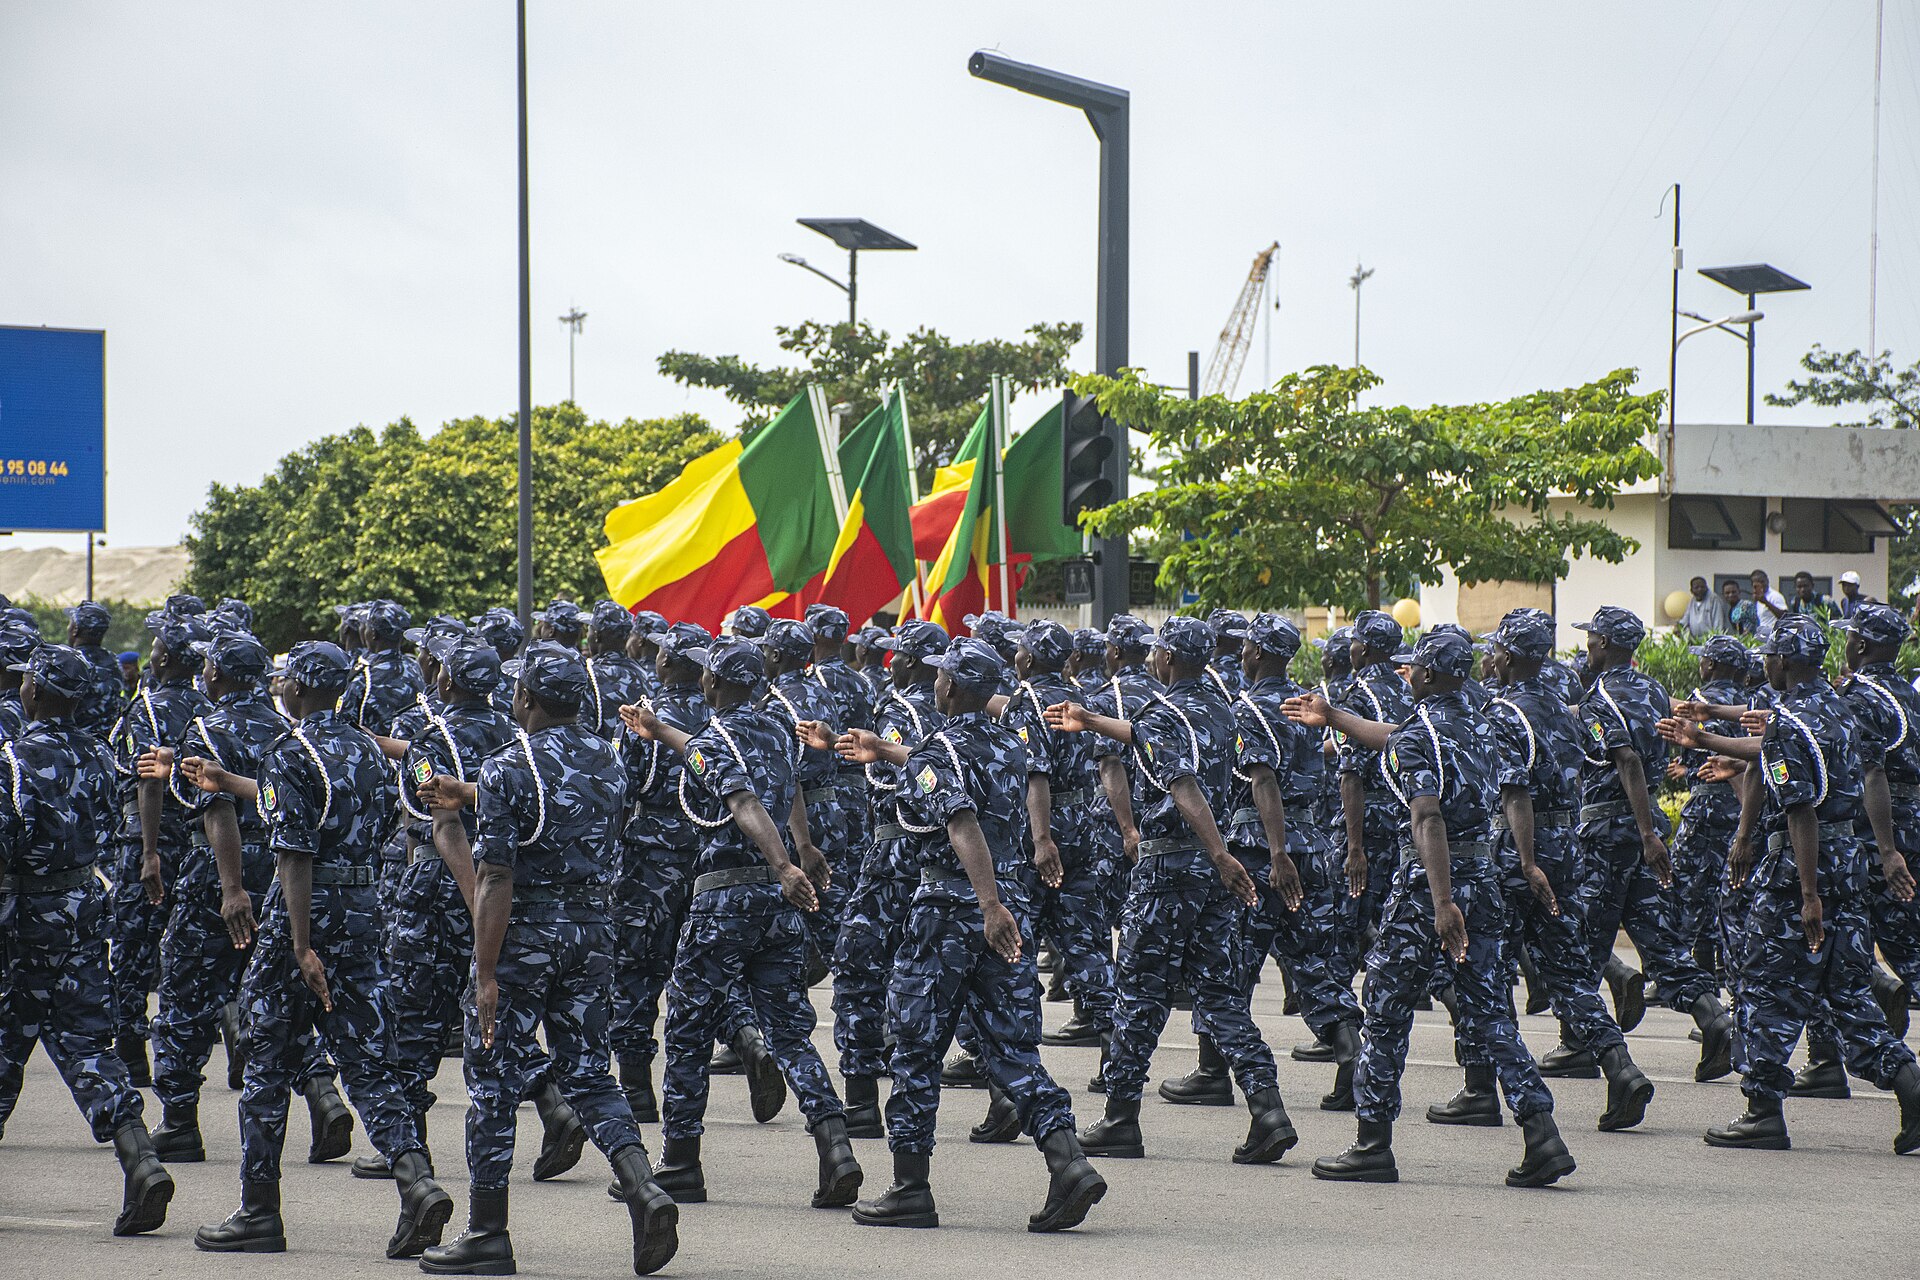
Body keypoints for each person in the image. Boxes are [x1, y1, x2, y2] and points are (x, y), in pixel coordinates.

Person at [415, 641, 678, 1277]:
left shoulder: (510, 765)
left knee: (492, 1078)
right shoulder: (608, 759)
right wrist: (471, 793)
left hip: (526, 937)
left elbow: (497, 874)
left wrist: (484, 971)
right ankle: (644, 1187)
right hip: (591, 933)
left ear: (527, 699)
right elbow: (555, 804)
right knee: (590, 1073)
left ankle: (487, 1231)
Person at [1283, 630, 1576, 1187]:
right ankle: (1543, 1135)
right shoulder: (1480, 723)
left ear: (1429, 675)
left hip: (1430, 891)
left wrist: (1440, 902)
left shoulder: (1424, 734)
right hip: (1483, 880)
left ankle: (1372, 1142)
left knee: (1386, 1009)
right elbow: (1396, 736)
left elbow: (1427, 818)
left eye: (1414, 666)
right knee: (1491, 1013)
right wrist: (1335, 715)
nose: (1406, 672)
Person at [191, 641, 452, 1259]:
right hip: (364, 912)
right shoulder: (367, 747)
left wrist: (302, 944)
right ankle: (417, 1182)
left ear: (300, 688)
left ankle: (259, 1211)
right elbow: (380, 794)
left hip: (305, 916)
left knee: (266, 1064)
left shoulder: (290, 751)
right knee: (368, 1064)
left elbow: (295, 851)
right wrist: (232, 783)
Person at [842, 637, 1107, 1233]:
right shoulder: (1008, 744)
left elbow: (959, 821)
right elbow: (944, 766)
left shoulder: (946, 745)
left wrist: (985, 903)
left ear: (954, 689)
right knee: (1011, 1048)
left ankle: (911, 1188)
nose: (934, 683)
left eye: (941, 677)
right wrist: (884, 749)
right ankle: (1069, 1163)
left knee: (915, 1046)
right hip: (1007, 904)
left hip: (952, 910)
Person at [1657, 616, 1920, 1154]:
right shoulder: (1838, 708)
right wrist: (1705, 734)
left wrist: (1806, 896)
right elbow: (1775, 749)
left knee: (1763, 991)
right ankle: (1912, 1090)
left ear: (1785, 661)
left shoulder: (1789, 720)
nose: (1766, 664)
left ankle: (1763, 1113)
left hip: (1802, 873)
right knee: (1848, 996)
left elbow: (1798, 808)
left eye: (1771, 656)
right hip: (1847, 865)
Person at [619, 636, 859, 1211]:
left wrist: (783, 864)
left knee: (687, 1028)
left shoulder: (715, 738)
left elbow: (743, 801)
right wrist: (802, 848)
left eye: (709, 677)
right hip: (777, 910)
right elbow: (788, 787)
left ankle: (679, 1162)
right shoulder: (776, 730)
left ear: (719, 683)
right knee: (791, 1032)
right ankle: (836, 1148)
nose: (701, 683)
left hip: (727, 900)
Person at [1049, 616, 1298, 1165]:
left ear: (1166, 659)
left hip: (1173, 868)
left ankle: (1120, 1119)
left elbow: (1181, 784)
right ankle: (1268, 1110)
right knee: (1221, 996)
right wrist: (1091, 719)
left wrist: (1216, 851)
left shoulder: (1166, 713)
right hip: (1212, 876)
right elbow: (1144, 736)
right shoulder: (1218, 707)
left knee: (1138, 994)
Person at [0, 644, 177, 1236]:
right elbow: (107, 826)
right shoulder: (100, 754)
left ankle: (144, 1163)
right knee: (88, 1047)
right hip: (82, 911)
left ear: (37, 692)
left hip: (25, 920)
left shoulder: (13, 760)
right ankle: (141, 1158)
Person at [1474, 609, 1654, 1132]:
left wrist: (1525, 862)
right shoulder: (1565, 709)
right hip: (1567, 845)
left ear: (1509, 655)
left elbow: (1515, 793)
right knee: (1571, 973)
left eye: (1499, 650)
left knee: (1488, 974)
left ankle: (1481, 1089)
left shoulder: (1506, 711)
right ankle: (1620, 1067)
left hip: (1517, 851)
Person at [1190, 613, 1362, 1113]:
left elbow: (1262, 781)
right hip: (1310, 842)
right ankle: (1350, 1052)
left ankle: (1212, 1071)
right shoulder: (1305, 704)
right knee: (1311, 959)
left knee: (1228, 959)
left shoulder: (1250, 707)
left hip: (1263, 848)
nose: (1241, 654)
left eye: (1247, 648)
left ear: (1259, 653)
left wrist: (1277, 852)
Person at [1558, 606, 1735, 1083]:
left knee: (1580, 944)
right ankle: (1714, 1020)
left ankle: (1581, 1045)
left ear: (1609, 645)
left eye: (1592, 637)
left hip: (1613, 832)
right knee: (1660, 942)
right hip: (1641, 827)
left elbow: (1627, 760)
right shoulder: (1653, 690)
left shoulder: (1601, 698)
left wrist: (1645, 832)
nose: (1587, 645)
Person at [136, 631, 288, 1163]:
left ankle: (178, 1120)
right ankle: (320, 1096)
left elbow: (216, 807)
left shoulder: (208, 727)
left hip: (220, 871)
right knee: (278, 988)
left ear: (219, 675)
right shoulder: (286, 726)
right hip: (280, 867)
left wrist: (230, 887)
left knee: (183, 993)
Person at [375, 636, 521, 1169]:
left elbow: (445, 827)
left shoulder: (430, 738)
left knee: (413, 1019)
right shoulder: (514, 731)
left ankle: (410, 1153)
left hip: (444, 888)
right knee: (496, 1010)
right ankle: (553, 1107)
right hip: (503, 882)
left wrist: (470, 897)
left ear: (446, 681)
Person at [819, 620, 948, 1138]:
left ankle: (861, 1103)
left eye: (899, 655)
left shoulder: (902, 710)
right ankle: (1005, 1094)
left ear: (912, 662)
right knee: (937, 975)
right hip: (944, 854)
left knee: (856, 967)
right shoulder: (959, 710)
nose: (889, 660)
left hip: (899, 849)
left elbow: (898, 773)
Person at [608, 622, 711, 1127]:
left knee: (635, 971)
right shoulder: (719, 715)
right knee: (701, 971)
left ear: (666, 663)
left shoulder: (646, 718)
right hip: (709, 856)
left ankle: (636, 1089)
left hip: (650, 858)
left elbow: (619, 788)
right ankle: (747, 1041)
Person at [108, 612, 212, 1093]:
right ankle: (218, 1032)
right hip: (199, 840)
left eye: (154, 647)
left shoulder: (148, 707)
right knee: (189, 950)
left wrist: (148, 851)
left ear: (165, 658)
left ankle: (132, 1058)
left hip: (150, 842)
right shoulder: (208, 704)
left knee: (133, 953)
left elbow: (150, 780)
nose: (149, 653)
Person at [1335, 610, 1416, 981]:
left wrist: (1354, 848)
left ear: (1363, 649)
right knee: (1397, 921)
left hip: (1367, 824)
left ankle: (1340, 1029)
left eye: (1353, 641)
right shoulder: (1410, 689)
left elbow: (1351, 776)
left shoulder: (1357, 695)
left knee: (1341, 927)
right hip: (1406, 818)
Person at [339, 599, 426, 735]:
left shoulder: (364, 677)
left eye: (366, 626)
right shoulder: (416, 669)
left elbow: (343, 724)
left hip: (372, 753)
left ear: (373, 634)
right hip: (409, 752)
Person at [584, 601, 651, 739]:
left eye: (589, 629)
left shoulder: (588, 674)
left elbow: (583, 735)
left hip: (602, 758)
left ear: (597, 635)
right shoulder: (644, 674)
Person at [65, 600, 127, 739]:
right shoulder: (114, 660)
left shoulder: (69, 660)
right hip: (108, 742)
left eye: (70, 624)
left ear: (75, 630)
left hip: (77, 741)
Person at [1748, 570, 1789, 641]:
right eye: (1757, 584)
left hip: (1774, 636)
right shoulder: (1758, 598)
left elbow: (1784, 616)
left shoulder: (1775, 596)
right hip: (1762, 635)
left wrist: (1766, 602)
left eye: (1762, 582)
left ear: (1767, 581)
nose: (1761, 585)